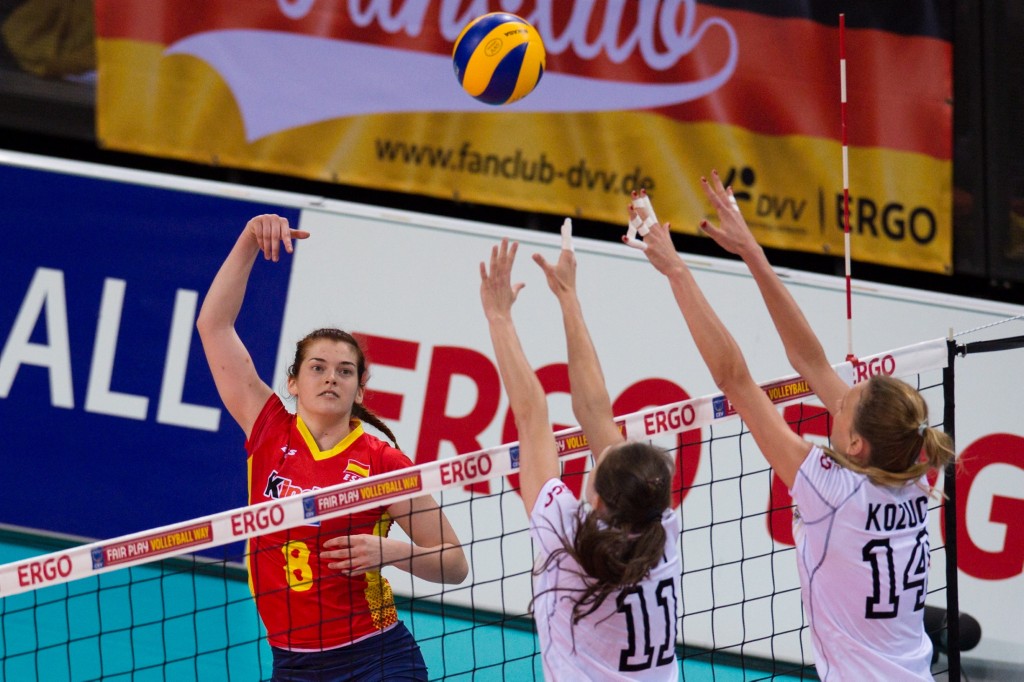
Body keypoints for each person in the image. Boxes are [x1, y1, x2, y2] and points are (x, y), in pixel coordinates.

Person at [626, 174, 955, 680]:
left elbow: (734, 379)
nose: (837, 398)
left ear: (855, 443)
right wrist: (752, 252)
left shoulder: (834, 486)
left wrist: (674, 268)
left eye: (845, 405)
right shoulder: (910, 471)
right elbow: (811, 361)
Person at [196, 214, 468, 681]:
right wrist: (247, 240)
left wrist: (389, 553)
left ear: (359, 391)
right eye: (318, 368)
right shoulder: (269, 430)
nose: (330, 378)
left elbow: (454, 562)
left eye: (345, 372)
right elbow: (213, 327)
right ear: (293, 383)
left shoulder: (383, 463)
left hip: (377, 656)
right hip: (294, 664)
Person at [479, 238, 681, 680]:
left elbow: (534, 415)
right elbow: (595, 413)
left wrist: (499, 316)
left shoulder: (563, 533)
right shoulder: (662, 529)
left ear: (597, 496)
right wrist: (568, 298)